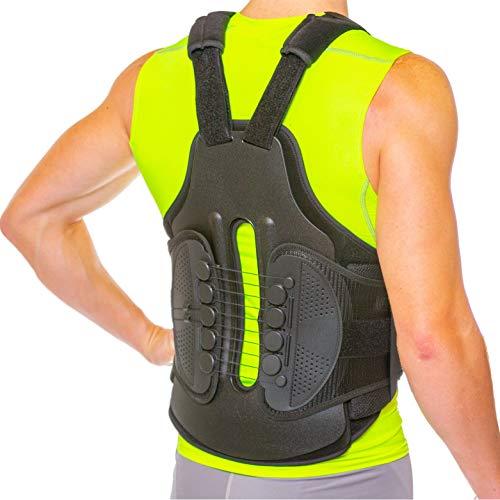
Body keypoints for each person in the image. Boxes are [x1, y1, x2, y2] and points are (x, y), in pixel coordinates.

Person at [1, 0, 499, 498]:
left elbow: (32, 219)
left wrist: (150, 339)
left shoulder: (151, 79)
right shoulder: (398, 90)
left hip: (199, 474)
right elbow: (432, 342)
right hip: (345, 476)